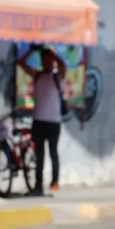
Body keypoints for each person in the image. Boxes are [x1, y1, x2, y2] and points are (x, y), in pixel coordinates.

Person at [19, 45, 67, 195]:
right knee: (39, 155)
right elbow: (21, 63)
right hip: (38, 121)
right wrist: (32, 51)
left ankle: (55, 181)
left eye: (48, 59)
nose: (46, 62)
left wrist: (53, 52)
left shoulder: (57, 76)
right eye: (44, 59)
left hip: (53, 122)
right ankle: (38, 185)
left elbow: (63, 65)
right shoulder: (38, 75)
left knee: (53, 152)